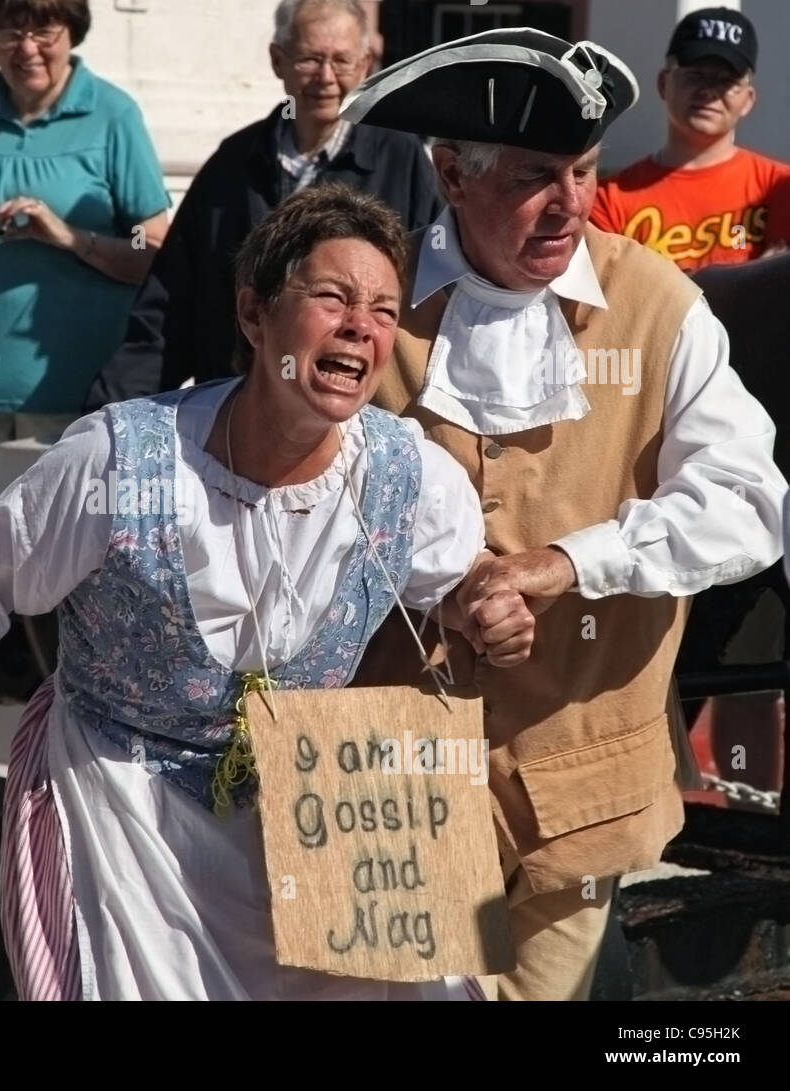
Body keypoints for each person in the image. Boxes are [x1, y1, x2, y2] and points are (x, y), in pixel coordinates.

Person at [0, 184, 537, 1000]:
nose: (363, 324)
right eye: (332, 297)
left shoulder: (408, 472)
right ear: (254, 314)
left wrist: (482, 608)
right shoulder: (119, 459)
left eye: (385, 310)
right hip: (121, 805)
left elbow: (451, 581)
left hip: (315, 802)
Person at [343, 27, 787, 1001]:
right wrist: (437, 588)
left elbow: (749, 501)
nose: (571, 204)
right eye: (537, 176)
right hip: (382, 762)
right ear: (451, 172)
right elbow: (282, 491)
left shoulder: (656, 304)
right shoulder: (362, 300)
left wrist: (566, 562)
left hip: (582, 775)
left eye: (584, 172)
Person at [84, 0, 439, 411]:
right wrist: (108, 414)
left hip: (350, 418)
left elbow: (430, 301)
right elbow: (168, 308)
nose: (325, 77)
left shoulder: (402, 159)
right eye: (309, 59)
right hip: (236, 421)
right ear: (278, 60)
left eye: (341, 61)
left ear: (366, 64)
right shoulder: (234, 163)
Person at [0, 0, 169, 519]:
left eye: (44, 28)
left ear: (71, 31)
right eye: (10, 29)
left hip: (70, 387)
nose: (26, 47)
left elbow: (156, 253)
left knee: (56, 555)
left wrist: (66, 236)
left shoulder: (112, 114)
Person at [590, 7, 790, 270]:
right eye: (694, 75)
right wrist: (748, 276)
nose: (708, 92)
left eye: (726, 81)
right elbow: (613, 298)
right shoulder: (608, 198)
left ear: (748, 99)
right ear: (664, 83)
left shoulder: (779, 187)